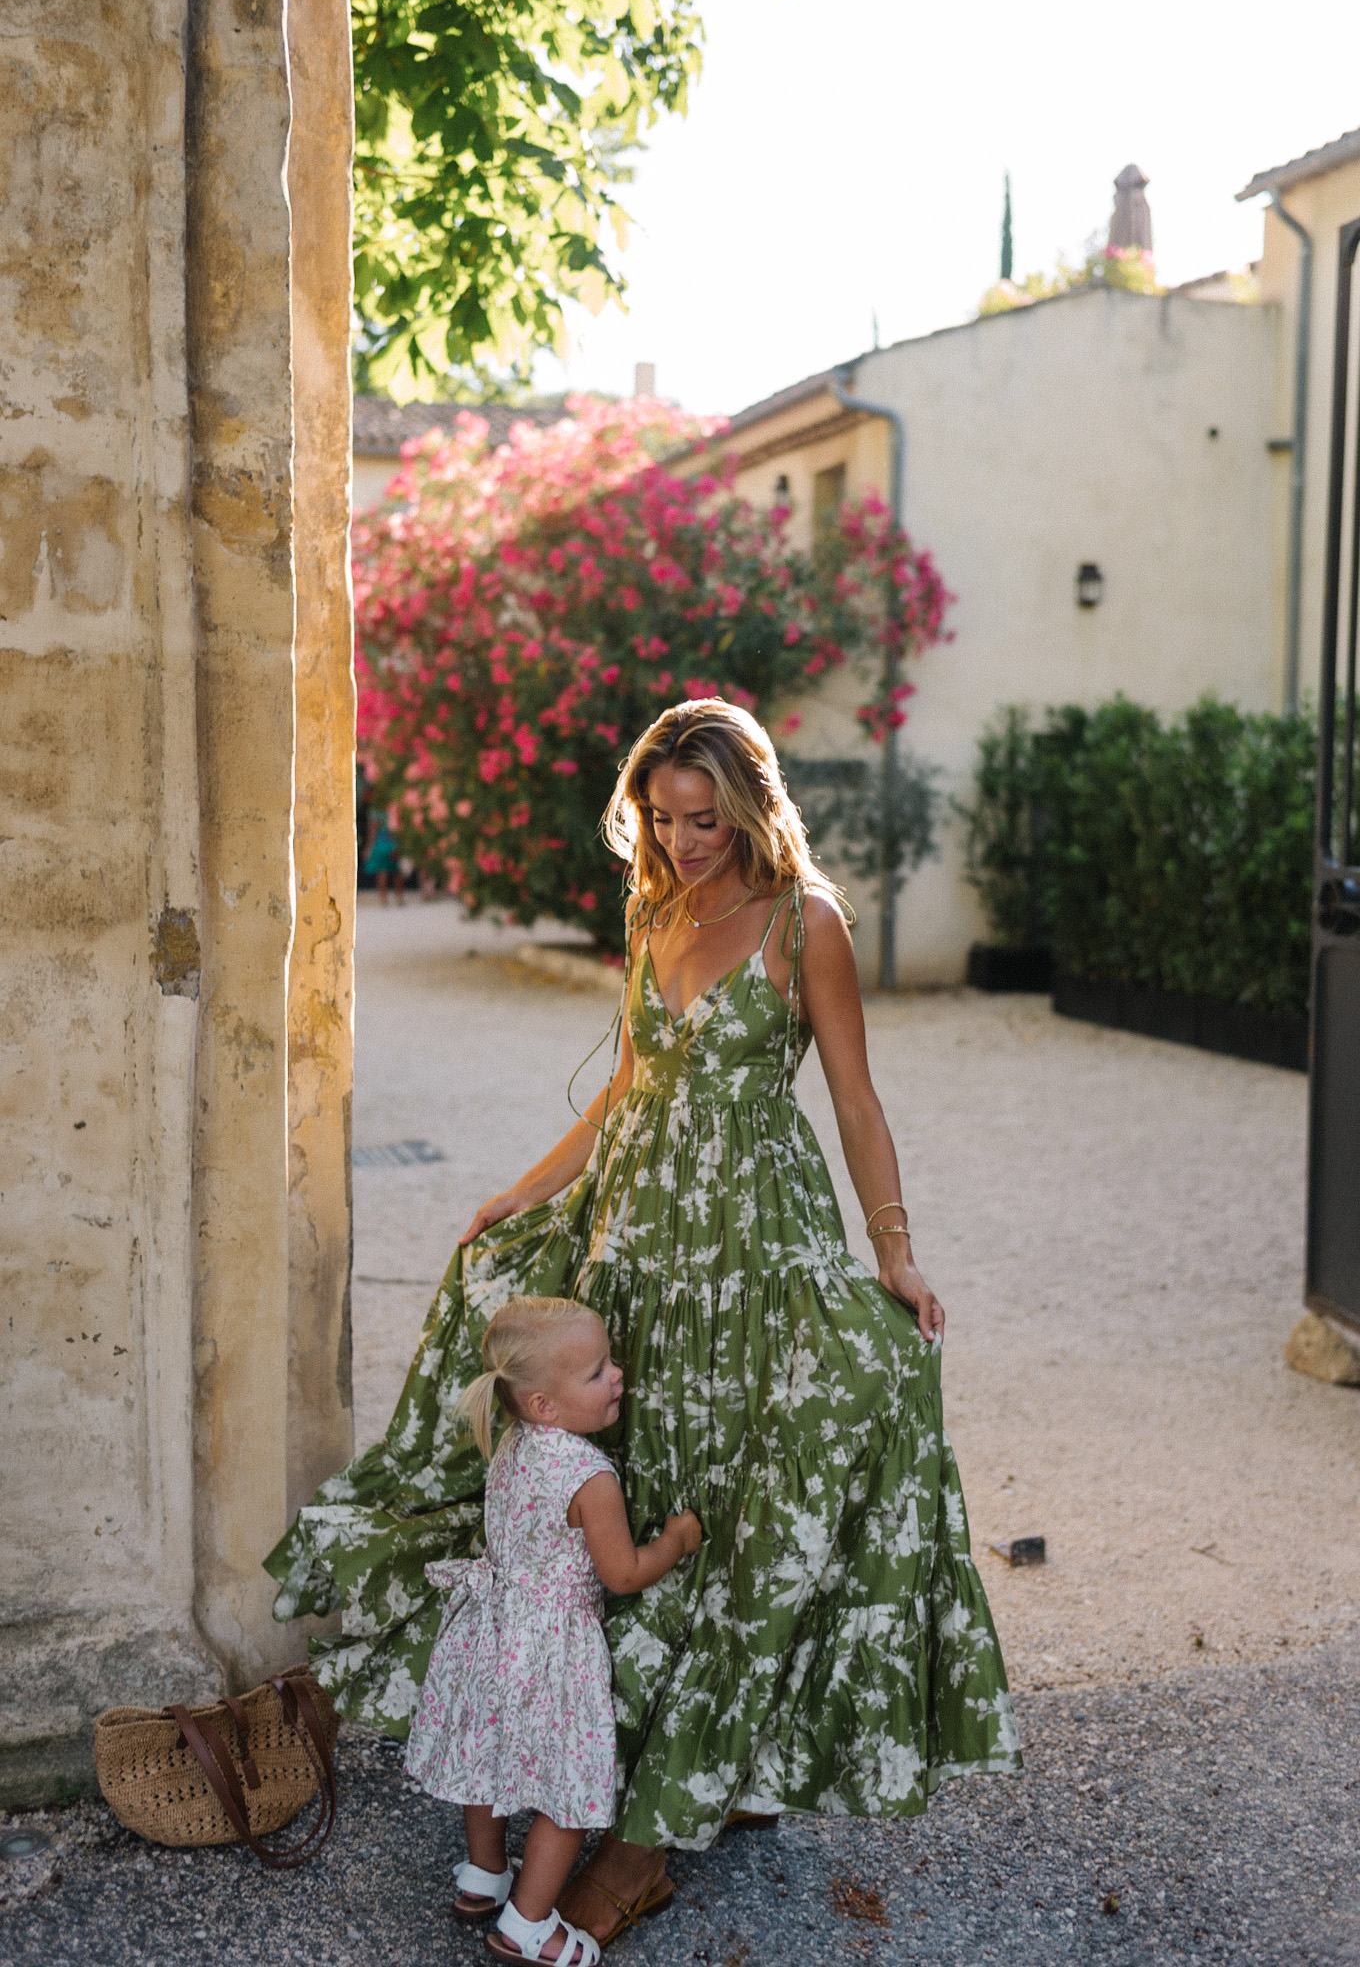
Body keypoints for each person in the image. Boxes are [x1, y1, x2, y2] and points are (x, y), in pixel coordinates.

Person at [266, 698, 1019, 1951]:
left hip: (752, 1251)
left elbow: (855, 1098)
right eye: (663, 820)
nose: (683, 843)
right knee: (640, 1482)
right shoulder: (653, 909)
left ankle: (686, 1796)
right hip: (639, 1247)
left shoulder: (804, 924)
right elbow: (628, 1086)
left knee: (754, 1490)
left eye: (706, 821)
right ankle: (632, 1752)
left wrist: (892, 1252)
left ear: (754, 807)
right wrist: (526, 1187)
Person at [405, 1296, 701, 1966]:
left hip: (492, 1630)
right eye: (597, 1371)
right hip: (550, 1648)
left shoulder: (513, 1443)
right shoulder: (589, 1476)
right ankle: (529, 1925)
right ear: (544, 1403)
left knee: (490, 1761)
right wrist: (677, 1542)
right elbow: (623, 1573)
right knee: (565, 1793)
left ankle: (483, 1877)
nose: (619, 1375)